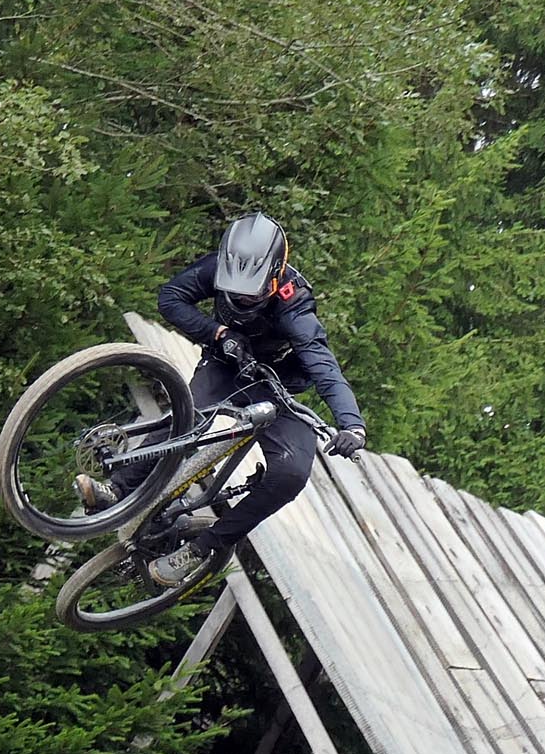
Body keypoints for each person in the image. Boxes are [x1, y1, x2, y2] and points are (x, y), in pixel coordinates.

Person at [76, 211, 367, 587]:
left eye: (254, 292)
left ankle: (203, 548)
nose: (244, 298)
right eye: (235, 289)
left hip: (278, 387)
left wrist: (352, 425)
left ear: (276, 276)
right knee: (186, 419)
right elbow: (171, 298)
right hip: (226, 365)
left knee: (292, 474)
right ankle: (115, 490)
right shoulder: (217, 267)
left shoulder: (295, 306)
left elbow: (324, 366)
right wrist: (217, 333)